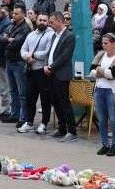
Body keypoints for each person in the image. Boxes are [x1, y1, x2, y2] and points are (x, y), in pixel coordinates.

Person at [90, 32, 115, 156]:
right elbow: (92, 71)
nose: (103, 45)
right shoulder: (100, 55)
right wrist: (103, 72)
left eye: (106, 43)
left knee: (114, 120)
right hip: (99, 89)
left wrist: (100, 71)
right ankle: (105, 144)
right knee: (102, 120)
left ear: (113, 44)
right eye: (102, 43)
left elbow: (113, 74)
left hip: (113, 92)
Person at [18, 12, 54, 134]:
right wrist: (26, 56)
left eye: (44, 20)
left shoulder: (51, 35)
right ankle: (29, 122)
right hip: (31, 71)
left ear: (48, 22)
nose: (42, 22)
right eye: (40, 20)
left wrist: (33, 55)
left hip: (43, 71)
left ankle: (44, 123)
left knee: (45, 100)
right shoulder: (31, 34)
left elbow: (47, 52)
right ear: (36, 20)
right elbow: (23, 49)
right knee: (30, 98)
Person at [45, 11, 77, 141]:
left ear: (59, 21)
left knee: (64, 102)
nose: (50, 24)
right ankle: (61, 127)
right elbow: (50, 52)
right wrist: (47, 64)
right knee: (55, 101)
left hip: (61, 74)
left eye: (52, 22)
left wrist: (51, 67)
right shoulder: (54, 36)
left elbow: (65, 56)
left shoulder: (69, 36)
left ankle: (72, 131)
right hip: (51, 73)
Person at [4, 6, 31, 125]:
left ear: (23, 15)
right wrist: (8, 39)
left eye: (16, 14)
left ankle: (23, 117)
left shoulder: (25, 28)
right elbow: (1, 37)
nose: (13, 15)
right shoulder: (11, 25)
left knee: (22, 92)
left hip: (19, 62)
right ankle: (14, 114)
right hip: (9, 60)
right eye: (13, 13)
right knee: (13, 90)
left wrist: (8, 40)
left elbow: (17, 42)